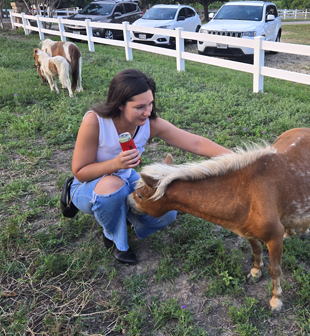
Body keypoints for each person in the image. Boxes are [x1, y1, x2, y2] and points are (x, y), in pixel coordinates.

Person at [70, 69, 232, 264]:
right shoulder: (95, 121)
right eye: (140, 107)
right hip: (87, 185)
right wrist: (115, 163)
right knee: (112, 187)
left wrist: (236, 158)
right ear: (120, 104)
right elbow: (80, 172)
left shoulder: (148, 123)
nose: (147, 112)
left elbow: (196, 143)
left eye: (150, 104)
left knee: (166, 214)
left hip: (124, 178)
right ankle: (116, 239)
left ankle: (122, 218)